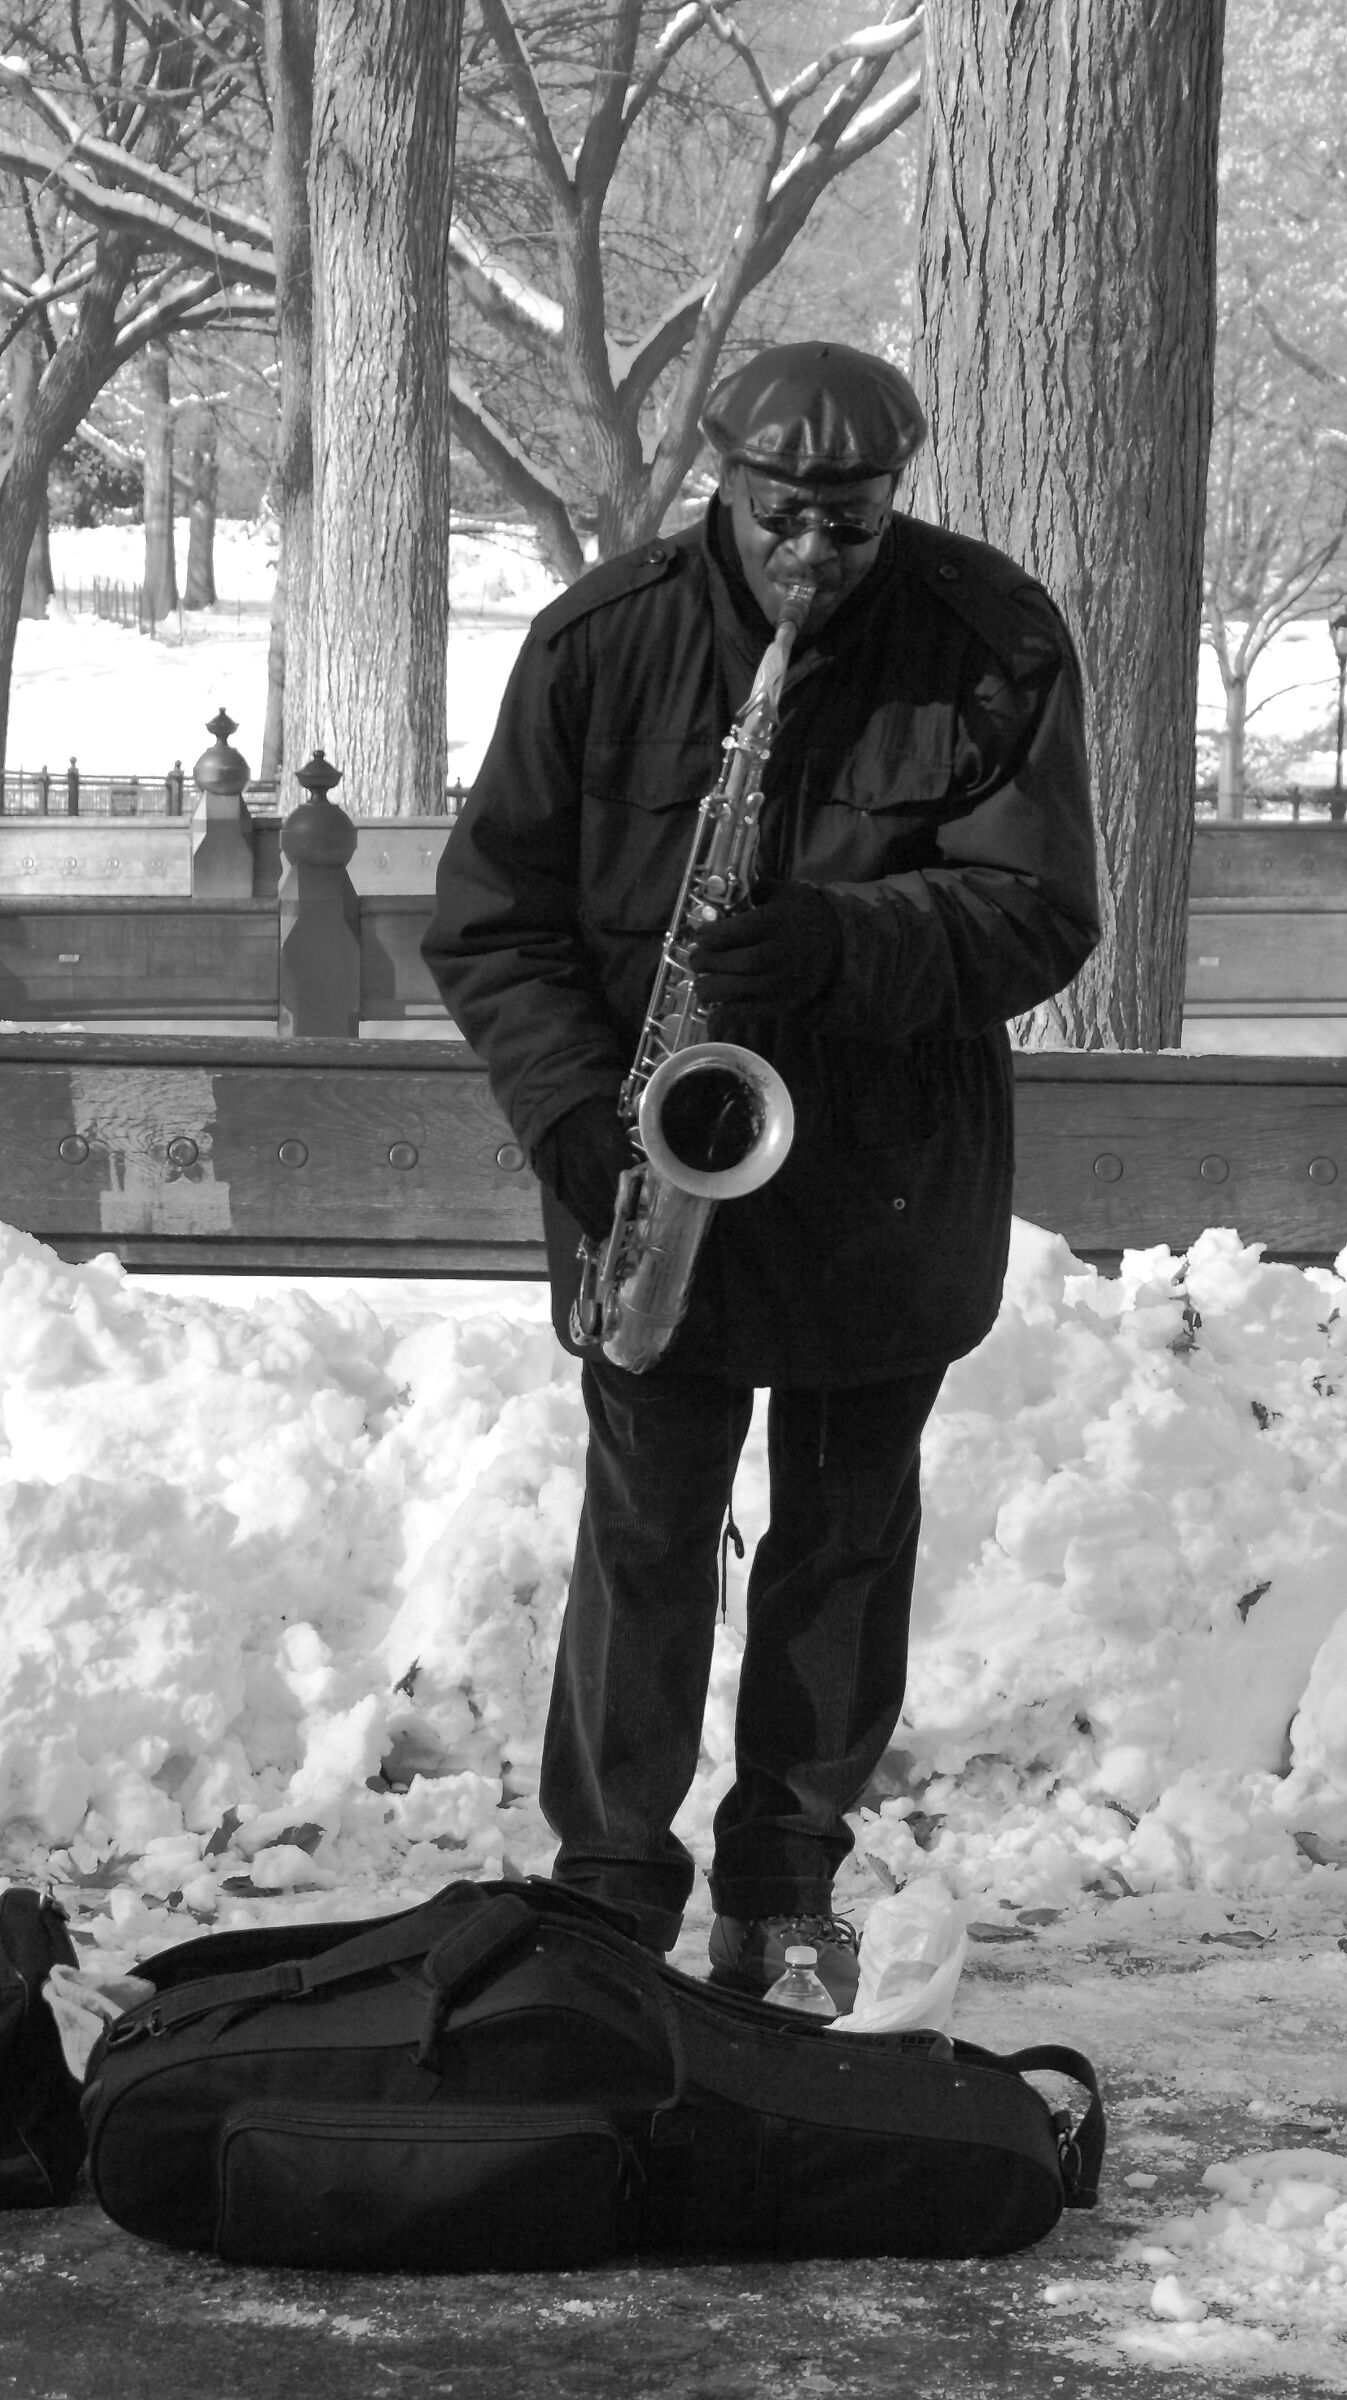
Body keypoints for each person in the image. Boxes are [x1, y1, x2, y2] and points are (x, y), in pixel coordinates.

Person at [423, 340, 1099, 2010]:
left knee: (843, 1551)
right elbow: (492, 918)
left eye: (854, 522)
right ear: (722, 478)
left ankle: (785, 1896)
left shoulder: (995, 640)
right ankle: (607, 1892)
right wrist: (582, 1117)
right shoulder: (605, 639)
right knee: (644, 1538)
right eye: (786, 513)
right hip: (658, 1182)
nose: (817, 551)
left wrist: (845, 944)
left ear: (895, 498)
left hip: (885, 1182)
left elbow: (1044, 910)